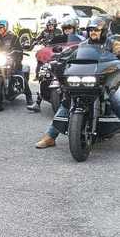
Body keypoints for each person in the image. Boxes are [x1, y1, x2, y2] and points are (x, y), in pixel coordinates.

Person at [35, 17, 120, 148]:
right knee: (67, 101)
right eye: (91, 30)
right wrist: (58, 58)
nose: (93, 32)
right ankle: (50, 137)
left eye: (96, 30)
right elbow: (70, 55)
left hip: (108, 83)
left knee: (116, 100)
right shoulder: (83, 45)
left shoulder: (113, 44)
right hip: (86, 80)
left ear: (103, 31)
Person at [0, 19, 33, 106]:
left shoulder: (14, 37)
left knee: (21, 75)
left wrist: (18, 55)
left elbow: (19, 49)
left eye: (1, 27)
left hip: (11, 61)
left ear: (5, 28)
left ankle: (29, 96)